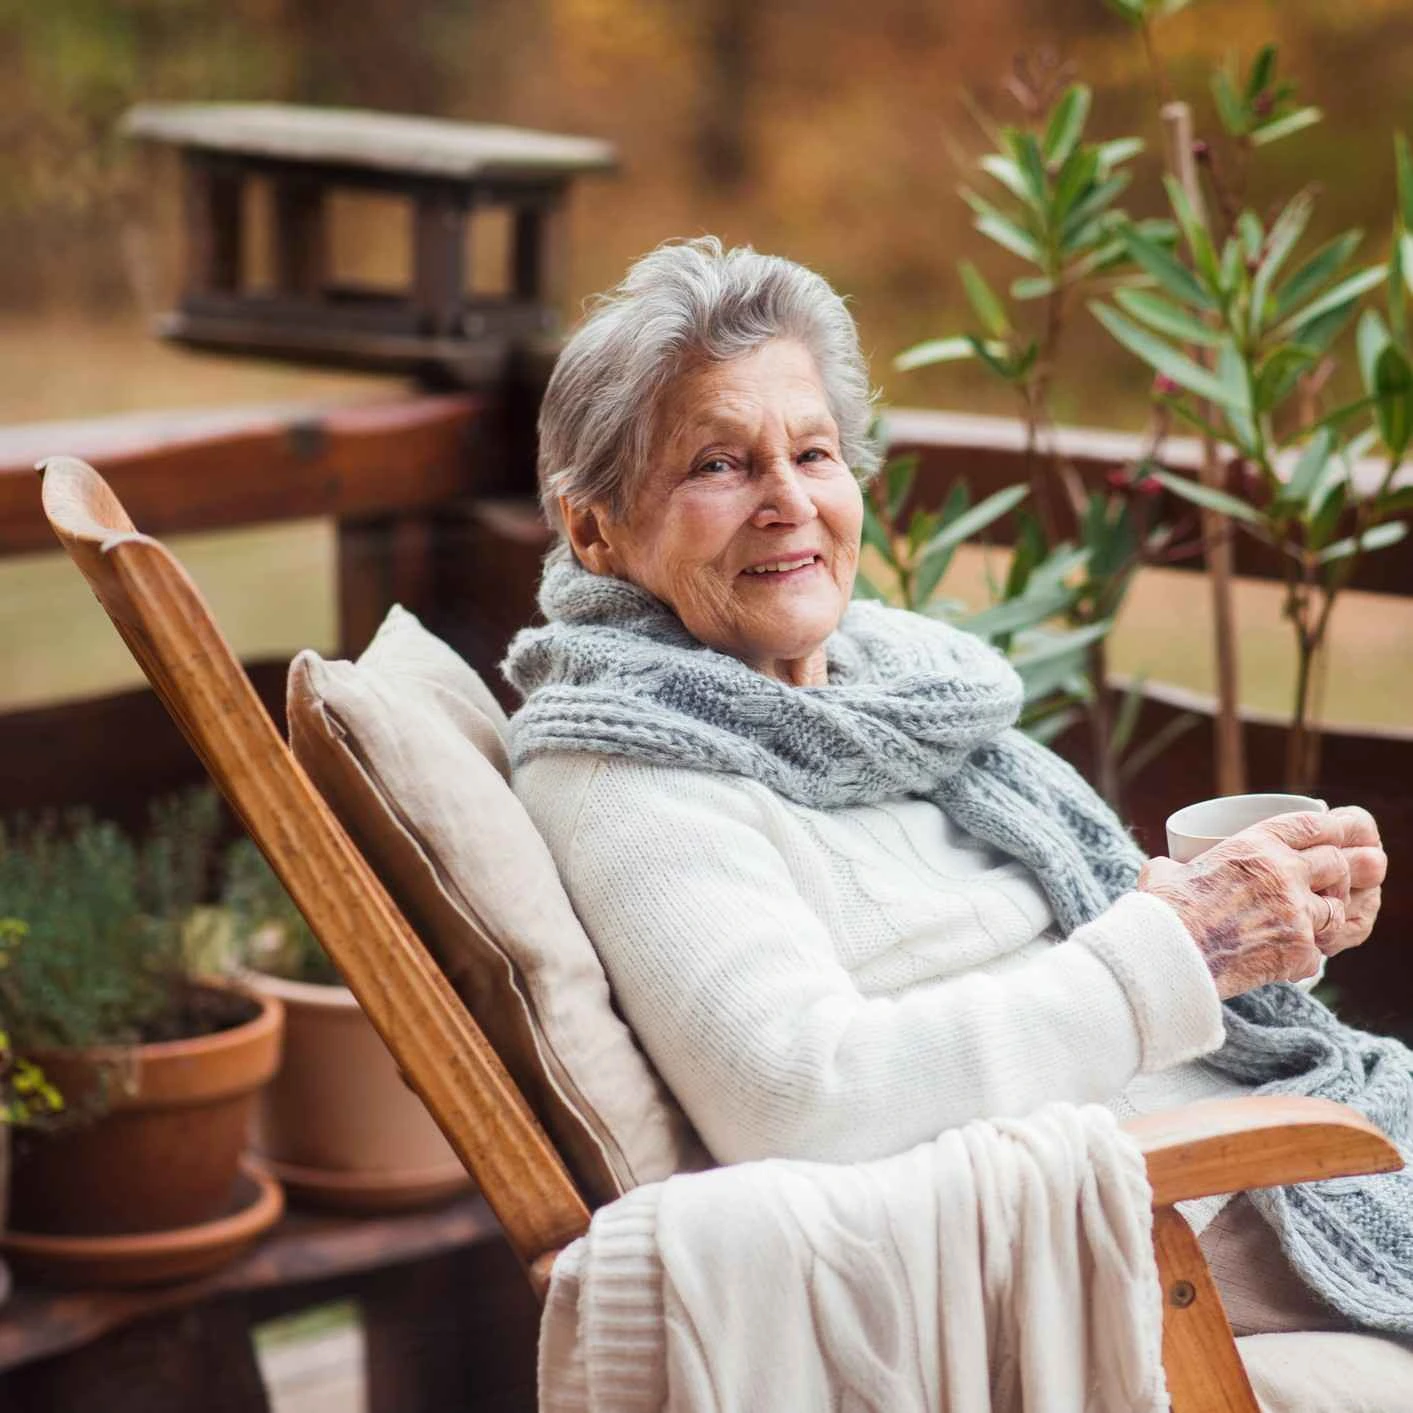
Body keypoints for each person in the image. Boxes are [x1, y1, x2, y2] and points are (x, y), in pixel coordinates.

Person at [504, 237, 1411, 1349]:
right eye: (719, 465)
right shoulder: (628, 773)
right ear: (593, 528)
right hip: (1111, 1233)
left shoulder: (890, 691)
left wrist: (1259, 922)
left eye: (815, 453)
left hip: (1201, 1138)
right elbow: (801, 1096)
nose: (789, 500)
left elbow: (1067, 940)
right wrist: (1186, 948)